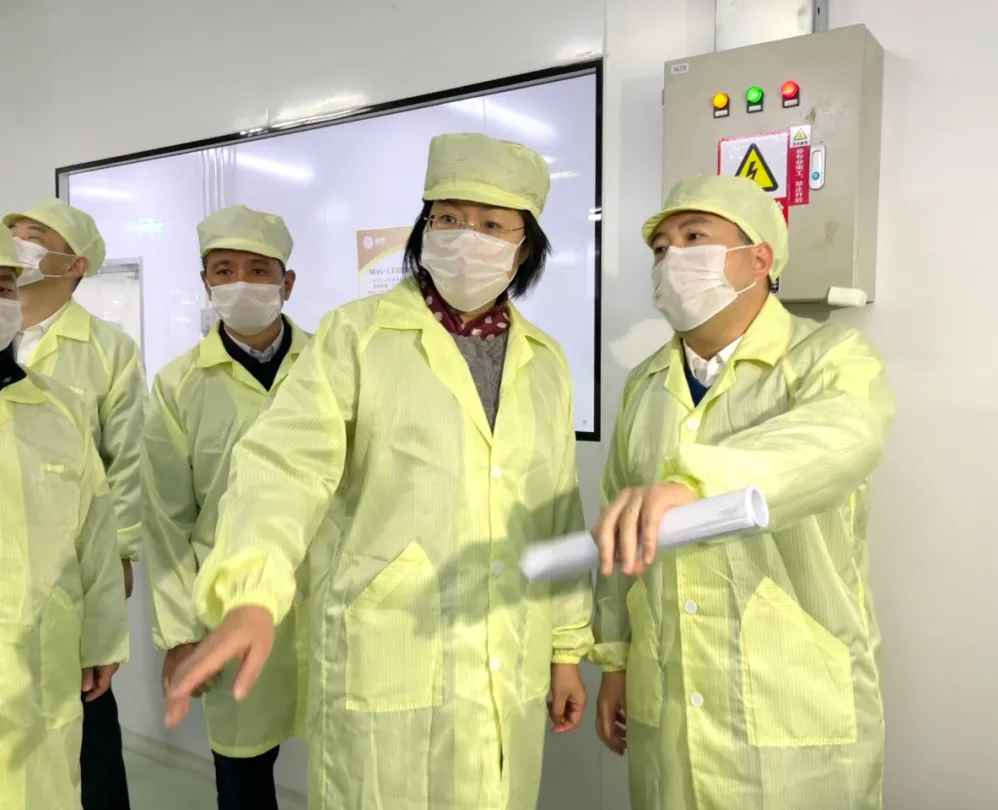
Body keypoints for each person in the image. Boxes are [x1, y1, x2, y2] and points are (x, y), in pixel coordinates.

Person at [163, 132, 593, 810]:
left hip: (508, 652)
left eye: (490, 225)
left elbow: (557, 509)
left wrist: (566, 647)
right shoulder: (355, 335)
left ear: (525, 246)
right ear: (424, 228)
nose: (465, 238)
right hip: (390, 647)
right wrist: (251, 590)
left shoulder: (547, 361)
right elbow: (284, 465)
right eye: (448, 218)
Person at [589, 175, 895, 810]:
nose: (672, 258)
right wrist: (615, 661)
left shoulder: (830, 358)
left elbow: (839, 438)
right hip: (668, 695)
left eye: (694, 237)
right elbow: (620, 536)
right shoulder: (645, 386)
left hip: (793, 696)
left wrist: (694, 484)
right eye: (660, 247)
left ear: (760, 259)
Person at [141, 205, 307, 810]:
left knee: (348, 762)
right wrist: (180, 635)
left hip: (326, 597)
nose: (241, 283)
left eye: (258, 270)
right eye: (224, 270)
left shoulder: (332, 365)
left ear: (288, 282)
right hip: (230, 603)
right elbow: (167, 518)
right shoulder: (179, 384)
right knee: (243, 771)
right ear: (205, 283)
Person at [4, 198, 145, 809]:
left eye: (36, 237)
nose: (21, 244)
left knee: (84, 711)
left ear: (76, 263)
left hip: (65, 558)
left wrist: (122, 553)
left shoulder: (106, 348)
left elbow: (125, 461)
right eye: (15, 234)